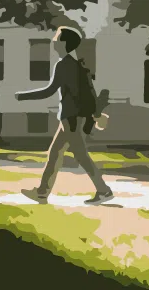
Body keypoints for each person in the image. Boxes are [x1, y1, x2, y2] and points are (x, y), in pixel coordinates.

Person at [16, 27, 115, 204]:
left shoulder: (64, 65)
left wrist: (23, 96)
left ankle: (103, 190)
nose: (53, 40)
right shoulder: (72, 64)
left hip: (71, 118)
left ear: (64, 43)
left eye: (57, 37)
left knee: (80, 156)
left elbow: (49, 90)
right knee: (55, 153)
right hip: (71, 118)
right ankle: (41, 192)